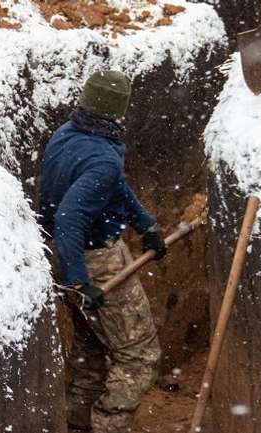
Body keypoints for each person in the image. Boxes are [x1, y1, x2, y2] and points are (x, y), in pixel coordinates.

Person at [39, 70, 167, 433]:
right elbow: (68, 217)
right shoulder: (104, 159)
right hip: (94, 260)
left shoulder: (67, 135)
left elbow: (114, 186)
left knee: (91, 351)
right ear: (118, 110)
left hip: (60, 255)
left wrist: (147, 225)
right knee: (139, 357)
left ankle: (78, 424)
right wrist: (80, 281)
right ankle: (108, 426)